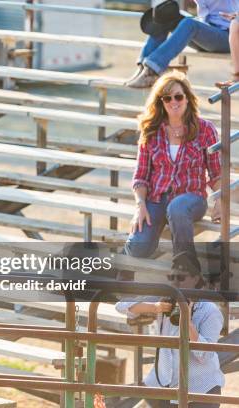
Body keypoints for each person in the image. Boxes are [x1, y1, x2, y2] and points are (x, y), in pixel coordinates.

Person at [125, 71, 221, 260]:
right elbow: (141, 176)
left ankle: (185, 265)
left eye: (178, 96)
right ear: (161, 102)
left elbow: (216, 172)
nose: (173, 101)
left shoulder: (205, 129)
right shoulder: (151, 131)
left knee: (177, 208)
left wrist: (220, 201)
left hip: (191, 198)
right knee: (138, 248)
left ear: (187, 98)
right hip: (157, 198)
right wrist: (140, 205)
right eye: (167, 98)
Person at [116, 251, 224, 408]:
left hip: (200, 390)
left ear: (195, 279)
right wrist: (155, 307)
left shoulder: (210, 311)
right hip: (166, 388)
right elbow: (121, 306)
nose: (175, 283)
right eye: (171, 278)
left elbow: (204, 356)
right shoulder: (166, 300)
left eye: (181, 278)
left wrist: (187, 322)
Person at [127, 0, 237, 88]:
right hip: (206, 34)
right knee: (166, 15)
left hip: (227, 37)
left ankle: (152, 70)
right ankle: (144, 67)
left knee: (190, 24)